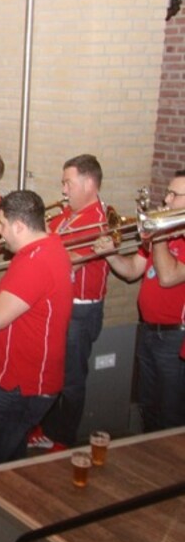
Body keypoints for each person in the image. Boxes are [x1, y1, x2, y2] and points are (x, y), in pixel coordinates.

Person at [0, 190, 73, 468]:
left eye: (2, 225)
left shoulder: (35, 262)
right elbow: (12, 292)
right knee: (9, 465)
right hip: (15, 382)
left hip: (17, 386)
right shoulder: (43, 248)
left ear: (19, 226)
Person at [30, 154, 110, 451]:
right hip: (57, 304)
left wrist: (42, 244)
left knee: (72, 378)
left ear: (89, 183)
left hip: (81, 309)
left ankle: (63, 438)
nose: (63, 190)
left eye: (68, 183)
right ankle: (46, 428)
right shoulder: (66, 214)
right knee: (50, 369)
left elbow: (71, 260)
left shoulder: (100, 218)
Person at [96, 173, 185, 431]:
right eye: (167, 192)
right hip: (147, 330)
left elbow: (168, 277)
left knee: (170, 414)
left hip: (175, 337)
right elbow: (132, 271)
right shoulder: (165, 236)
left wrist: (158, 234)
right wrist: (110, 255)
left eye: (174, 194)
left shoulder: (167, 237)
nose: (166, 199)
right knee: (148, 406)